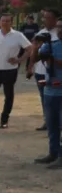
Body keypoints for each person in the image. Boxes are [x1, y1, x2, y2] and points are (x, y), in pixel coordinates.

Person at [36, 10, 62, 168]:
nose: (59, 30)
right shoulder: (52, 45)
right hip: (50, 90)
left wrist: (54, 60)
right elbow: (42, 59)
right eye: (58, 27)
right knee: (52, 124)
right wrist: (41, 49)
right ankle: (53, 153)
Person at [29, 8, 60, 133]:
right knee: (44, 98)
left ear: (55, 19)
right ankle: (47, 121)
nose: (45, 20)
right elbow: (34, 52)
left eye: (48, 17)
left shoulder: (58, 33)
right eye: (44, 17)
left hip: (56, 73)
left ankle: (55, 123)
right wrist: (30, 67)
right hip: (40, 72)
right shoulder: (41, 33)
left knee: (56, 99)